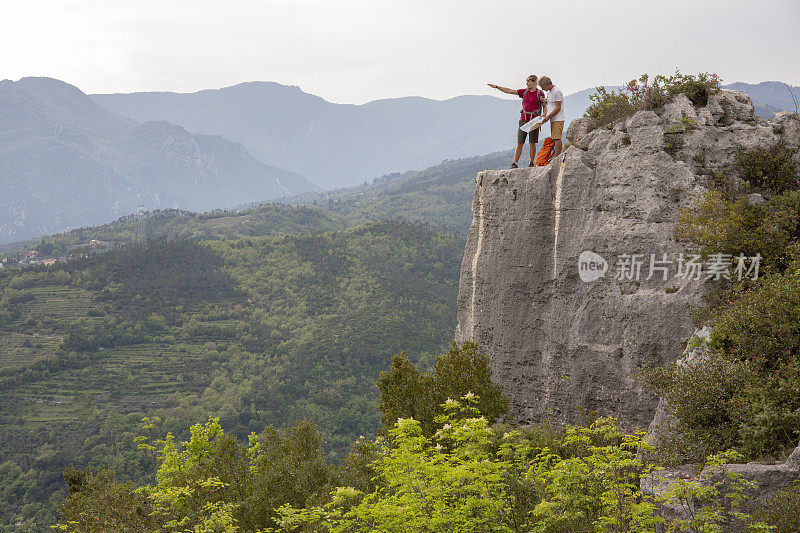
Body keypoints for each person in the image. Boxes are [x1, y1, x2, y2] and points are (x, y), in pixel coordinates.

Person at [488, 75, 547, 168]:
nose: (527, 84)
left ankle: (531, 163)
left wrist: (544, 115)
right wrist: (497, 87)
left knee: (532, 143)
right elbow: (510, 91)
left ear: (535, 82)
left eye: (529, 82)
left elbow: (544, 105)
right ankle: (515, 163)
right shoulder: (524, 92)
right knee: (520, 142)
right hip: (523, 120)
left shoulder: (540, 93)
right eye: (526, 82)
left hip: (534, 121)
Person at [537, 76, 565, 158]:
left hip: (558, 118)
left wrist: (548, 117)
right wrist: (544, 101)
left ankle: (557, 157)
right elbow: (551, 103)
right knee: (554, 137)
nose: (542, 89)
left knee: (557, 138)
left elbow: (558, 107)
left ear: (548, 84)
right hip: (553, 118)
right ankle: (556, 156)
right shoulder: (550, 92)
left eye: (543, 87)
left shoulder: (557, 91)